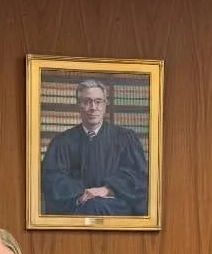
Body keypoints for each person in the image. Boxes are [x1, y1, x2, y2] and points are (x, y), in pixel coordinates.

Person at [40, 79, 149, 216]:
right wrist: (82, 193)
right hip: (78, 206)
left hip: (114, 208)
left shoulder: (125, 138)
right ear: (78, 105)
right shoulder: (62, 142)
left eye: (98, 101)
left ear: (105, 105)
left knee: (96, 206)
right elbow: (53, 179)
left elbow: (137, 176)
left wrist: (107, 190)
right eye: (87, 102)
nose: (93, 107)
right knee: (90, 208)